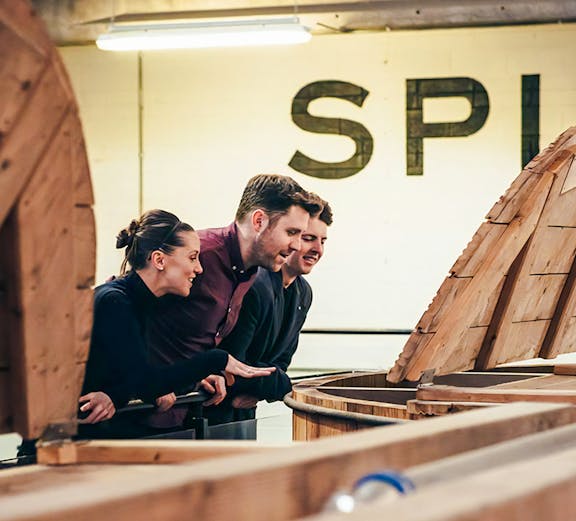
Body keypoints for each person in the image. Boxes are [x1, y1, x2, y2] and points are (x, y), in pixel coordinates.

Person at [79, 209, 275, 437]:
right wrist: (216, 359)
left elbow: (137, 375)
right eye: (192, 257)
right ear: (159, 260)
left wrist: (189, 382)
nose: (199, 269)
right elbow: (145, 382)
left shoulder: (139, 302)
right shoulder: (116, 302)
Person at [145, 175, 321, 428]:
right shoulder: (202, 254)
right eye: (291, 232)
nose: (296, 246)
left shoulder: (247, 273)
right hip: (138, 416)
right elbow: (120, 306)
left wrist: (201, 375)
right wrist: (145, 381)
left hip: (185, 416)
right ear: (259, 221)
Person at [208, 198, 333, 425]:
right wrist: (276, 384)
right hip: (213, 409)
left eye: (323, 241)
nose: (318, 249)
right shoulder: (254, 285)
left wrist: (262, 387)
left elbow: (283, 361)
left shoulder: (303, 292)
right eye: (307, 238)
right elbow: (236, 363)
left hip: (246, 410)